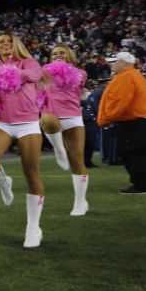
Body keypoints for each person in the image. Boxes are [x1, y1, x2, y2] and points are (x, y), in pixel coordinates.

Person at [0, 33, 47, 248]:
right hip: (3, 122)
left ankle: (33, 226)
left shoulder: (28, 62)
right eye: (1, 42)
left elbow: (35, 75)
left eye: (10, 41)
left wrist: (12, 72)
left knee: (31, 173)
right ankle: (4, 182)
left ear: (16, 44)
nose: (6, 44)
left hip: (28, 122)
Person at [98, 51, 146, 194]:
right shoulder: (134, 75)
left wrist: (108, 118)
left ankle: (142, 185)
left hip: (133, 120)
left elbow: (119, 101)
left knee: (132, 153)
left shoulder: (125, 77)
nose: (111, 64)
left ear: (123, 63)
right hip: (141, 118)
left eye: (114, 61)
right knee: (143, 153)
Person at [39, 45, 90, 216]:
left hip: (73, 117)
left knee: (76, 159)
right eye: (54, 53)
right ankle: (58, 149)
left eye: (62, 52)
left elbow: (71, 81)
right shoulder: (43, 73)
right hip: (51, 115)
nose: (58, 55)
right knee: (47, 119)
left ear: (70, 55)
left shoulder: (80, 73)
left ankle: (80, 201)